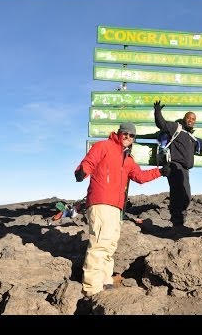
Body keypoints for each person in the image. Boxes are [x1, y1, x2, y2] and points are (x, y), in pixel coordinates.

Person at [74, 122, 170, 297]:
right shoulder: (104, 146)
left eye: (131, 135)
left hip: (116, 207)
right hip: (101, 201)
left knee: (110, 245)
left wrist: (161, 172)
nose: (127, 137)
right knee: (100, 244)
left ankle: (105, 281)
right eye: (125, 134)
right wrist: (81, 172)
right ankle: (91, 287)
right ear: (118, 134)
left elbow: (140, 177)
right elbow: (89, 161)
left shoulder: (129, 160)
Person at [153, 100, 202, 230]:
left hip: (184, 170)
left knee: (186, 195)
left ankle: (179, 222)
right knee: (178, 194)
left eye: (193, 119)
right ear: (184, 118)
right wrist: (157, 111)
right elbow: (161, 124)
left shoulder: (192, 138)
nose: (191, 120)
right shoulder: (176, 128)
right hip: (174, 166)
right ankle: (177, 223)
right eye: (189, 118)